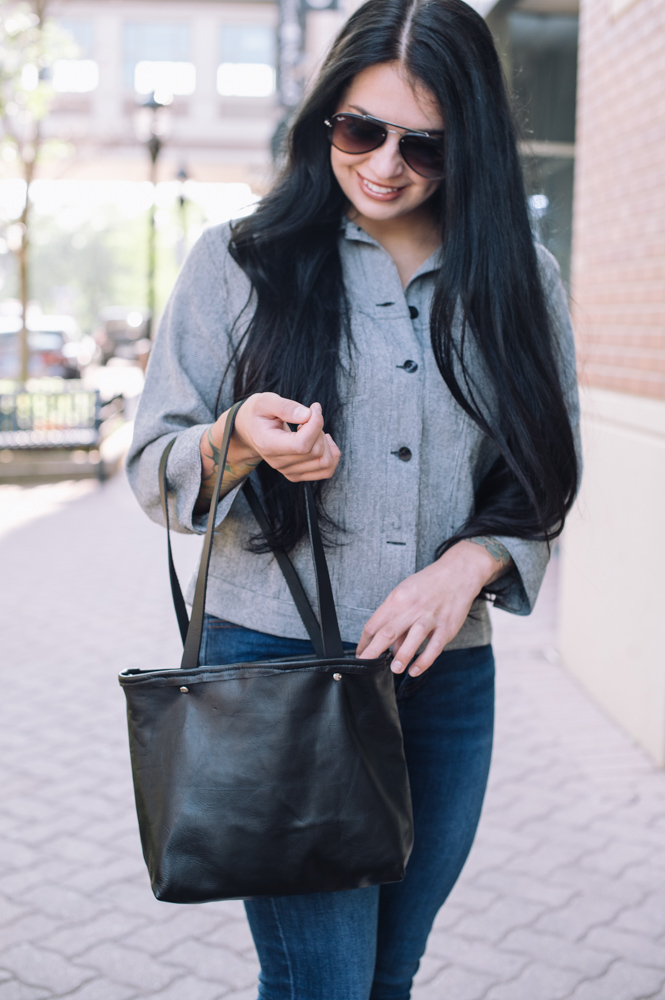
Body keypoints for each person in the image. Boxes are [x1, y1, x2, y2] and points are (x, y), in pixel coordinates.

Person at [127, 0, 580, 996]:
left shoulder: (517, 282)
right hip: (279, 678)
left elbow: (545, 473)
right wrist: (235, 436)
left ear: (472, 147)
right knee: (323, 984)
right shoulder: (240, 262)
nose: (383, 164)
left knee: (386, 974)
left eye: (423, 145)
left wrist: (464, 568)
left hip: (446, 681)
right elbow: (151, 465)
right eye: (357, 129)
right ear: (321, 115)